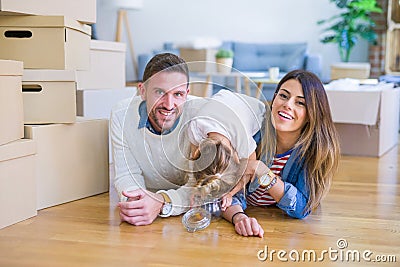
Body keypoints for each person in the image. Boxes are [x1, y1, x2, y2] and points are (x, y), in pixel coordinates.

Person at [220, 70, 341, 237]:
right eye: (283, 96)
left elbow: (301, 207)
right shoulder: (252, 134)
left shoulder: (315, 151)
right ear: (274, 97)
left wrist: (262, 171)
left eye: (300, 103)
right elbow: (224, 191)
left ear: (311, 114)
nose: (288, 105)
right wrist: (238, 217)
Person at [111, 53, 208, 226]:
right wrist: (136, 204)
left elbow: (199, 185)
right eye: (160, 92)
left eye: (177, 94)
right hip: (148, 202)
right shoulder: (121, 115)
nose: (169, 105)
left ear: (187, 94)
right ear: (142, 90)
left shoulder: (201, 114)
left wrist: (163, 201)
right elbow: (127, 174)